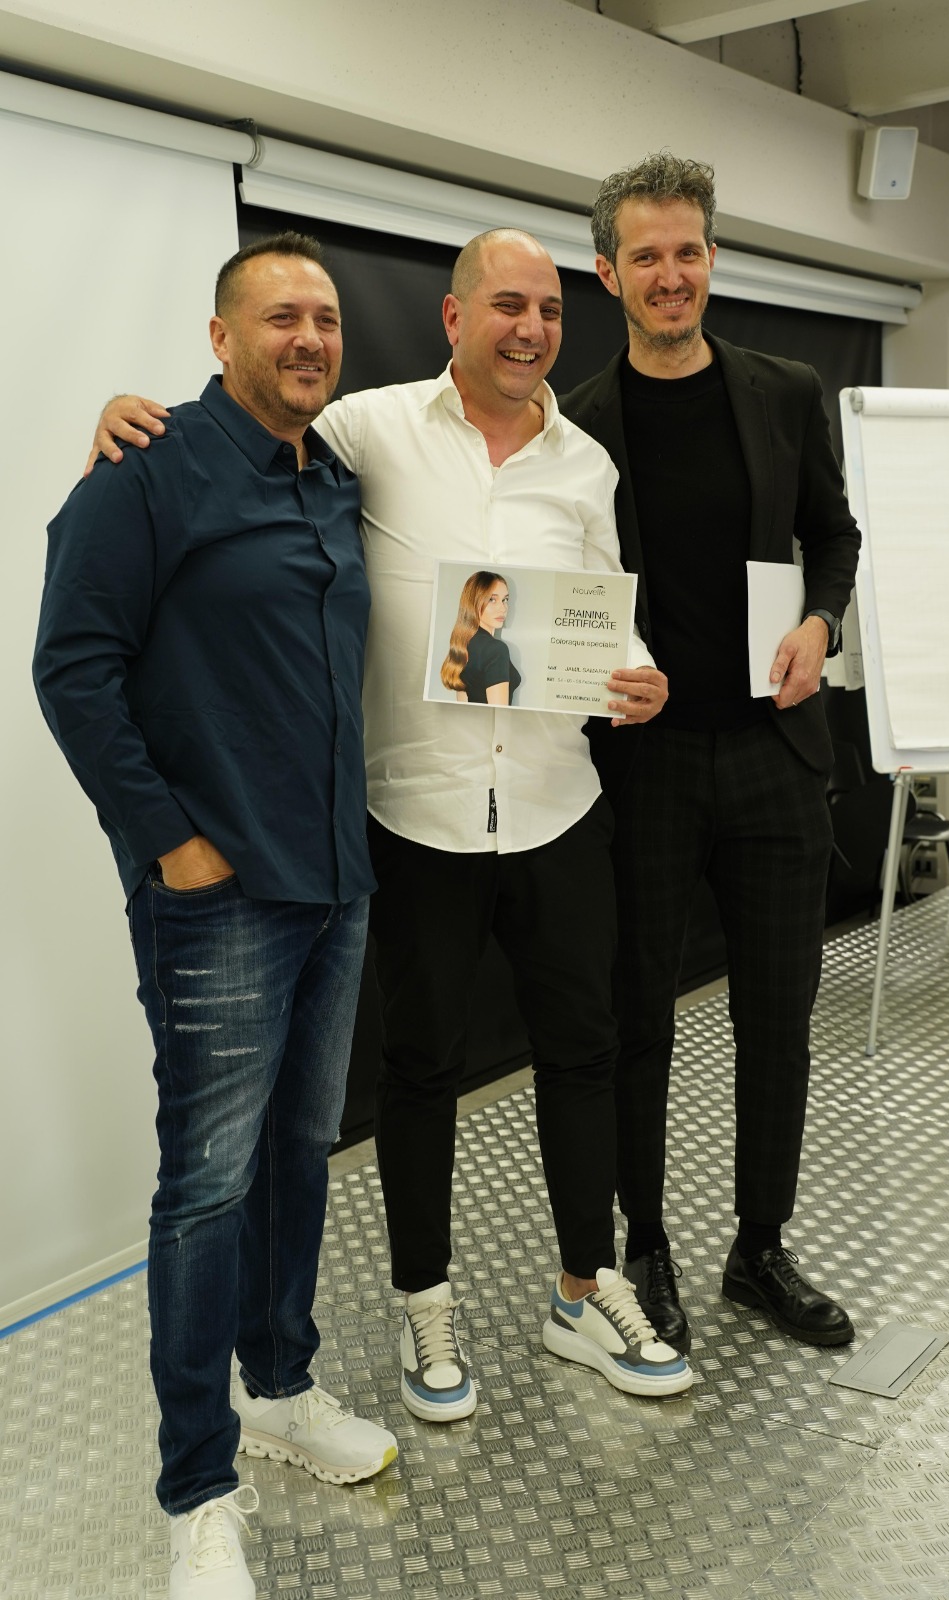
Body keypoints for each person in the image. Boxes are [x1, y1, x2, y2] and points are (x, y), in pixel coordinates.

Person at [87, 228, 695, 1426]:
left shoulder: (585, 463)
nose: (531, 329)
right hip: (414, 812)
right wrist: (127, 416)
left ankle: (585, 1287)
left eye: (550, 311)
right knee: (421, 1068)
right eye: (507, 305)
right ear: (454, 318)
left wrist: (637, 669)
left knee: (585, 1051)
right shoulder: (367, 427)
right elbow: (251, 415)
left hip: (556, 803)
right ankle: (426, 1304)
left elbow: (605, 606)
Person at [36, 233, 398, 1600]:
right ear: (219, 337)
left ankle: (281, 1386)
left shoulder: (335, 477)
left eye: (325, 319)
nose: (309, 338)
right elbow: (72, 670)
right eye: (280, 317)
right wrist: (171, 845)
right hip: (219, 903)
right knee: (206, 1186)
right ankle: (197, 1489)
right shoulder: (145, 474)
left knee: (300, 1152)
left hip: (335, 882)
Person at [560, 154, 862, 1355]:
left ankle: (760, 1246)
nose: (670, 273)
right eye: (646, 255)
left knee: (778, 1019)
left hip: (774, 755)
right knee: (639, 1017)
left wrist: (820, 622)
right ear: (608, 273)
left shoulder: (785, 392)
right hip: (644, 766)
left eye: (687, 251)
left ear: (711, 258)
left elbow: (832, 533)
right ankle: (646, 1244)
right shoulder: (575, 423)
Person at [441, 570, 522, 705]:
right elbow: (498, 712)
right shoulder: (496, 650)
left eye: (505, 600)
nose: (503, 608)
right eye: (492, 599)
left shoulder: (463, 643)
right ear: (474, 602)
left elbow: (463, 703)